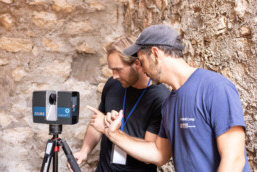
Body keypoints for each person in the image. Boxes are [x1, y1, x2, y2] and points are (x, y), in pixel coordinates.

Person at [96, 25, 251, 172]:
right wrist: (114, 134)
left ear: (155, 54)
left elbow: (234, 160)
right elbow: (158, 154)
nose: (141, 69)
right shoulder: (169, 103)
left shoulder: (215, 88)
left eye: (142, 62)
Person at [68, 35, 170, 172]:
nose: (114, 75)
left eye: (118, 69)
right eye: (112, 70)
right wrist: (84, 151)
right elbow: (97, 122)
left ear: (137, 64)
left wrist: (108, 130)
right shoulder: (113, 83)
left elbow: (150, 152)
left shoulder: (160, 98)